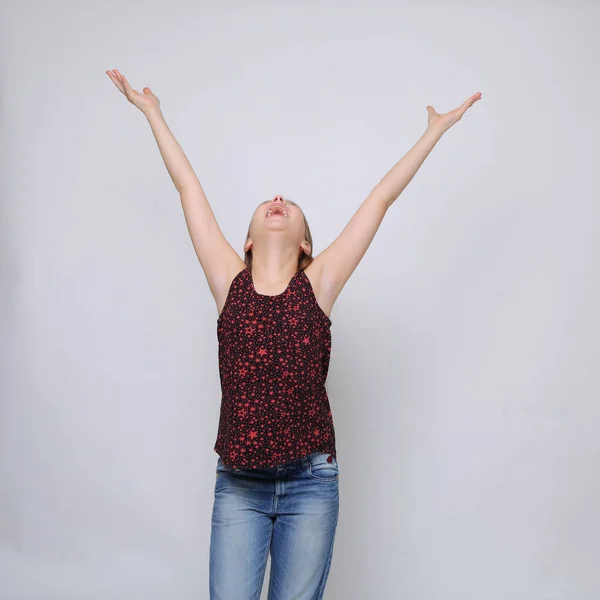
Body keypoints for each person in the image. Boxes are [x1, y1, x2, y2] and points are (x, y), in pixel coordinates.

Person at [106, 68, 481, 599]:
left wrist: (433, 133)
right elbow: (187, 186)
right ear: (248, 241)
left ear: (306, 242)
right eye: (266, 202)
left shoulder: (320, 284)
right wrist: (154, 115)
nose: (277, 198)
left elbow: (378, 200)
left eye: (290, 204)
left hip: (311, 481)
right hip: (239, 485)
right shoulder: (227, 280)